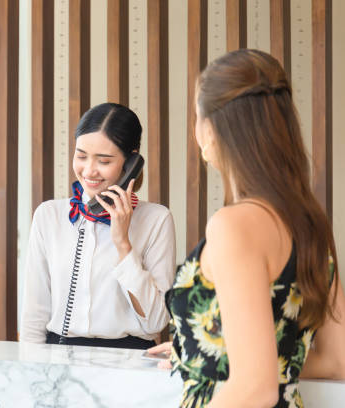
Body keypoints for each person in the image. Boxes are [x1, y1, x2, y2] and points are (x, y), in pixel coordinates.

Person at [147, 49, 345, 407]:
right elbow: (335, 362)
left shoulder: (234, 225)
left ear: (210, 128)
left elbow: (256, 387)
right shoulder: (309, 222)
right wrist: (203, 353)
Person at [20, 103, 176, 349]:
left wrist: (123, 244)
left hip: (129, 361)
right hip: (58, 356)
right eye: (81, 156)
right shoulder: (49, 216)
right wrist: (33, 369)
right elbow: (34, 314)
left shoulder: (157, 220)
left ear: (130, 163)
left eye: (103, 160)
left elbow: (156, 321)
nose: (89, 170)